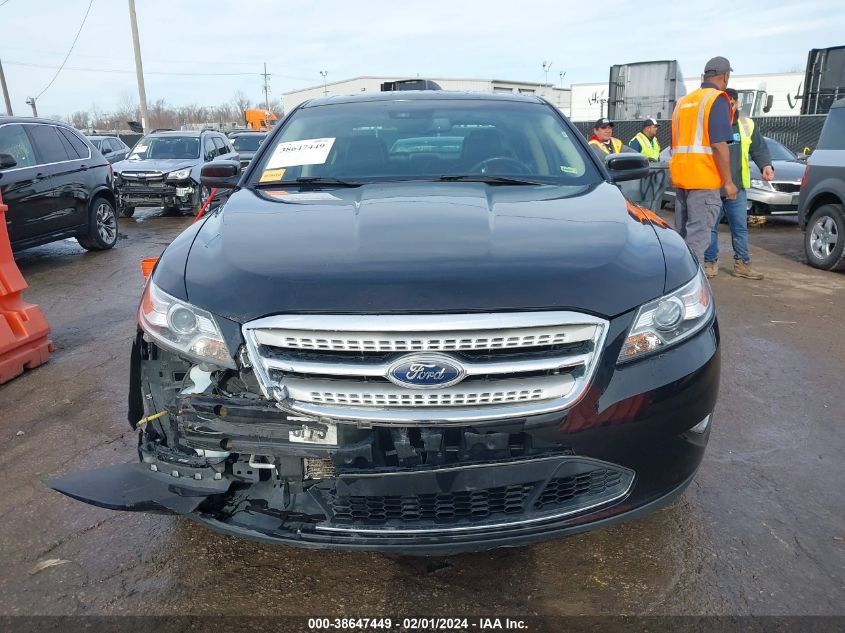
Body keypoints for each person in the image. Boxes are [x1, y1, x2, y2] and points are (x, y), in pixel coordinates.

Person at [669, 56, 737, 265]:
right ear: (725, 77)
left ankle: (675, 282)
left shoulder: (683, 102)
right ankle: (689, 291)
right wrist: (728, 182)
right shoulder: (716, 99)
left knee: (682, 240)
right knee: (697, 241)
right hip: (704, 181)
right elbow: (718, 145)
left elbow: (675, 144)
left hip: (682, 181)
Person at [702, 88, 773, 279]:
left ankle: (742, 264)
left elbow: (758, 148)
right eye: (726, 103)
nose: (729, 107)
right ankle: (710, 262)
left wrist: (766, 165)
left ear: (737, 103)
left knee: (740, 227)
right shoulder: (711, 124)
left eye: (732, 103)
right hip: (713, 186)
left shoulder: (747, 124)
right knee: (711, 227)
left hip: (737, 187)